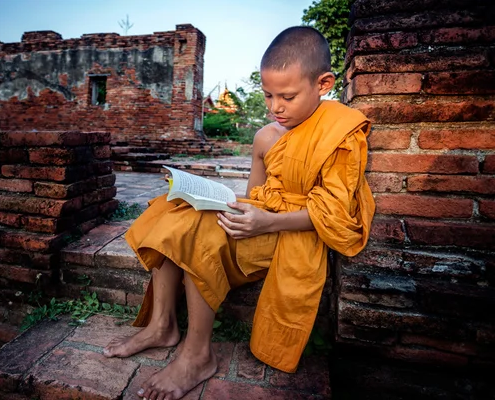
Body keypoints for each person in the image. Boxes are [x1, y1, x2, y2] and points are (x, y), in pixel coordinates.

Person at [104, 26, 375, 400]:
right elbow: (255, 196)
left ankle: (198, 355)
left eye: (288, 96)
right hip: (263, 222)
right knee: (171, 209)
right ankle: (161, 325)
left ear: (323, 83)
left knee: (201, 233)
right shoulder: (266, 136)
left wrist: (267, 221)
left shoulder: (340, 132)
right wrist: (227, 204)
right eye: (268, 95)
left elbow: (336, 212)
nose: (275, 107)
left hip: (296, 234)